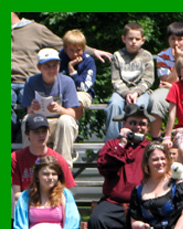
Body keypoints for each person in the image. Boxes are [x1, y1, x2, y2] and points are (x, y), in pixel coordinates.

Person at [12, 12, 111, 142]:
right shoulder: (64, 60)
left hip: (31, 81)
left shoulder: (35, 29)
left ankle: (72, 129)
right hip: (10, 84)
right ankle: (15, 143)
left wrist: (93, 52)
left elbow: (68, 44)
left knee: (69, 110)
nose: (75, 53)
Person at [90, 104, 153, 229]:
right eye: (133, 123)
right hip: (114, 202)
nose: (137, 127)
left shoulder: (151, 148)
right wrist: (122, 144)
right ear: (124, 124)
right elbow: (104, 167)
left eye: (142, 124)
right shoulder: (112, 145)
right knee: (97, 220)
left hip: (142, 203)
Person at [20, 48, 80, 168]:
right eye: (47, 66)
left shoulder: (67, 82)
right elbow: (28, 111)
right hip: (40, 123)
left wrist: (60, 109)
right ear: (39, 67)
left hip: (60, 124)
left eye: (55, 65)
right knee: (27, 119)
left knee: (66, 120)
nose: (52, 70)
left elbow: (73, 113)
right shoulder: (31, 82)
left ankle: (63, 166)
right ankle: (29, 165)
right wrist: (33, 108)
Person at [148, 21, 183, 139]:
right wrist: (177, 60)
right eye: (173, 39)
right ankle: (156, 139)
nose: (176, 43)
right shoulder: (162, 56)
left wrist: (176, 85)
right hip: (170, 89)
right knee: (155, 99)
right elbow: (167, 80)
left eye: (180, 39)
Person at [105, 22, 154, 142]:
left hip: (141, 92)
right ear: (124, 39)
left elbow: (148, 79)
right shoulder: (117, 56)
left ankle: (136, 140)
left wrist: (136, 92)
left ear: (142, 40)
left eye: (137, 39)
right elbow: (116, 80)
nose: (134, 41)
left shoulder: (147, 56)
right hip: (121, 92)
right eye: (130, 38)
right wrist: (126, 93)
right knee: (114, 105)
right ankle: (113, 142)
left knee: (139, 108)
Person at [58, 29, 96, 120]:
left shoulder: (89, 61)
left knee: (76, 102)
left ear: (83, 49)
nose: (75, 54)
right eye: (71, 50)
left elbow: (84, 87)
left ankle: (73, 125)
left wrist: (72, 71)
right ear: (65, 48)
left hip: (82, 93)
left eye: (78, 50)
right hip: (61, 92)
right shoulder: (58, 59)